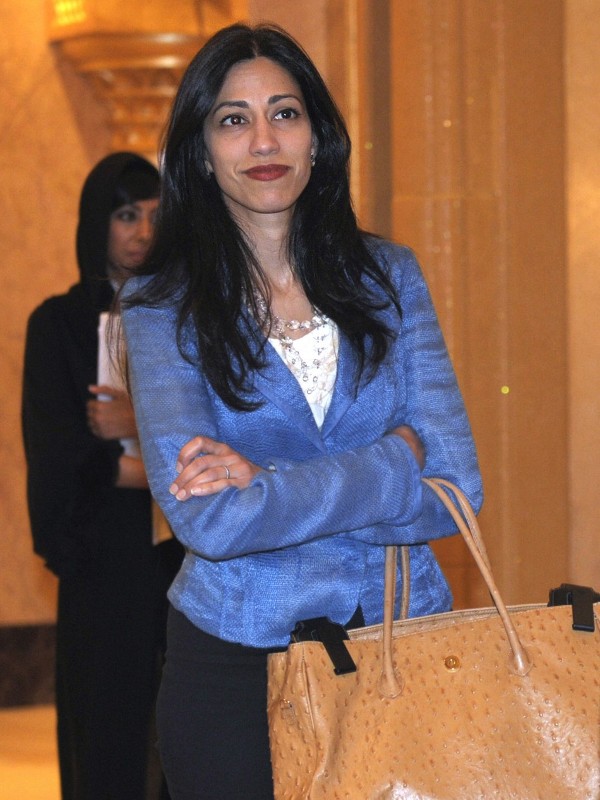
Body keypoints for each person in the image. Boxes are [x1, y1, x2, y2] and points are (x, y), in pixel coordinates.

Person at [119, 23, 483, 800]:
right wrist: (395, 458)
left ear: (319, 137)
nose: (262, 139)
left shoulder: (390, 276)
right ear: (201, 151)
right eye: (232, 119)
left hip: (400, 647)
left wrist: (266, 479)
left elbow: (456, 486)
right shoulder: (160, 306)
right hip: (234, 670)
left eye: (284, 113)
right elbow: (209, 520)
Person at [22, 152, 183, 800]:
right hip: (104, 566)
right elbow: (63, 455)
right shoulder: (58, 324)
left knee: (182, 741)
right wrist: (163, 469)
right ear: (98, 224)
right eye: (125, 215)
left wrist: (134, 423)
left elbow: (227, 441)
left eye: (153, 213)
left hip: (187, 566)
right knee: (109, 744)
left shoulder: (189, 318)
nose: (142, 230)